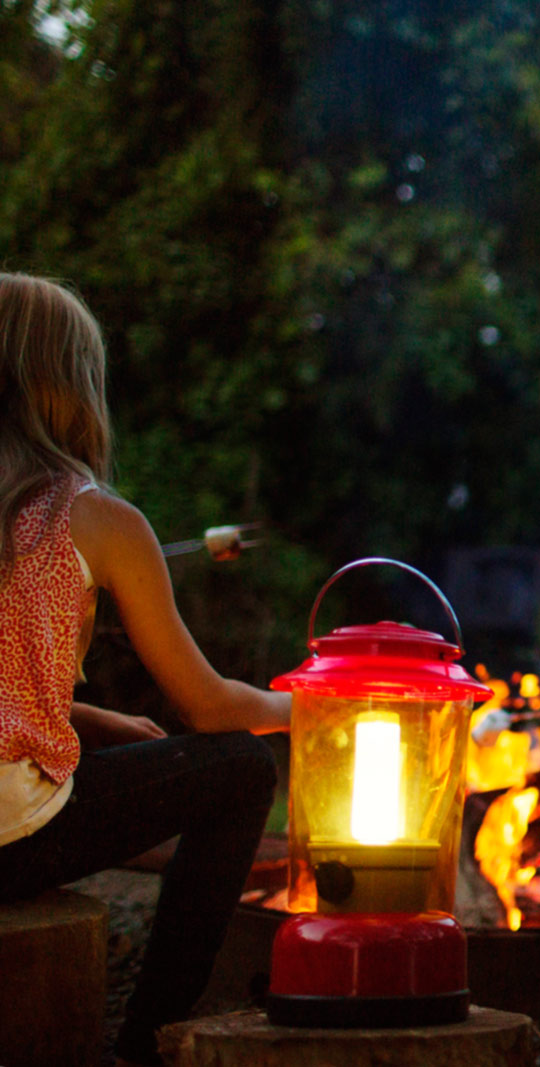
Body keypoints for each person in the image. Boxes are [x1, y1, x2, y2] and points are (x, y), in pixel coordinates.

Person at [0, 274, 290, 1067]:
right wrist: (320, 707)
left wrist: (88, 723)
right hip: (7, 835)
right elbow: (207, 707)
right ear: (72, 384)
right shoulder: (93, 516)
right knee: (237, 768)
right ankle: (146, 1043)